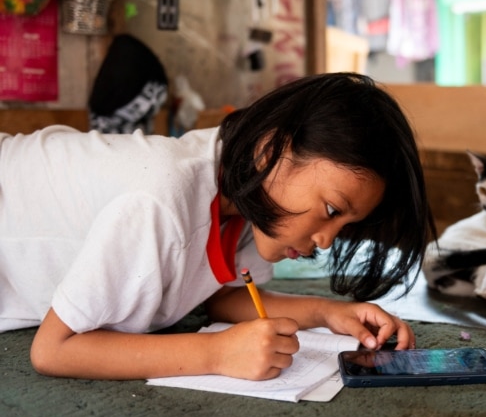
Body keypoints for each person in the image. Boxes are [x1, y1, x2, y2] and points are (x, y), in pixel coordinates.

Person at [0, 73, 435, 381]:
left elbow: (221, 296)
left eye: (344, 225)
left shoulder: (245, 195)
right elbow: (54, 349)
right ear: (272, 149)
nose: (325, 239)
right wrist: (216, 353)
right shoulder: (161, 199)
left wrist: (328, 314)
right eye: (330, 209)